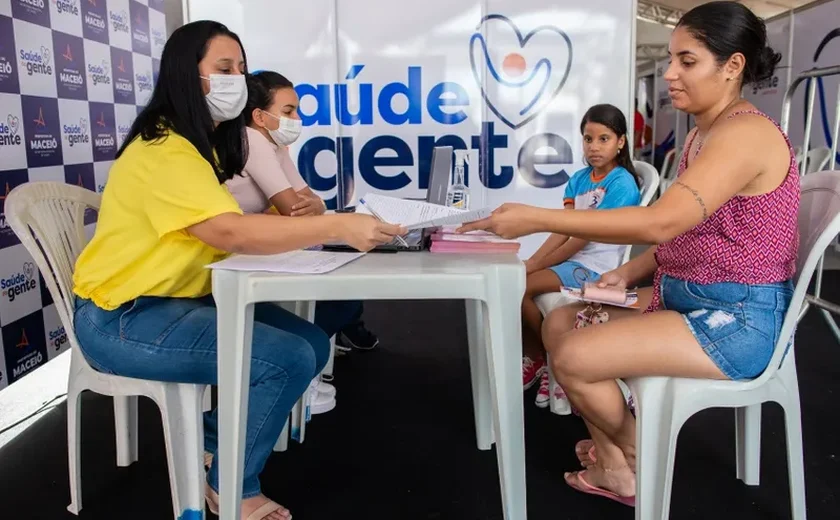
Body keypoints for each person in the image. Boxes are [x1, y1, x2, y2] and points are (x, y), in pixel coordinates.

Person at [459, 1, 797, 506]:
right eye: (671, 59)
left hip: (737, 317)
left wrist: (536, 216)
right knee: (559, 326)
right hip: (687, 296)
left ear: (732, 67)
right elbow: (684, 235)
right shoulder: (707, 134)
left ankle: (637, 458)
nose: (669, 74)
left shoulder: (745, 133)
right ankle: (619, 462)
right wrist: (630, 272)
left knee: (572, 354)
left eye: (687, 61)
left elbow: (661, 221)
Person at [71, 21, 403, 520]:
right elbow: (227, 232)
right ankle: (232, 487)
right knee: (284, 359)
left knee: (311, 344)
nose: (237, 80)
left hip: (177, 303)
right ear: (186, 75)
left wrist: (312, 223)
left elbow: (232, 225)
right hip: (123, 318)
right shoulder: (164, 149)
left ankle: (209, 440)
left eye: (241, 70)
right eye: (223, 69)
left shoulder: (195, 146)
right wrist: (334, 224)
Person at [226, 71, 379, 354]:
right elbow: (293, 208)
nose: (297, 119)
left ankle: (308, 360)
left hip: (260, 242)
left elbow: (309, 200)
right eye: (288, 111)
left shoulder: (275, 143)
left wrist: (317, 205)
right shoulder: (251, 138)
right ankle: (295, 358)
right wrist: (310, 207)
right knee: (343, 297)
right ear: (259, 117)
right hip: (238, 251)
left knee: (344, 290)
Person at [522, 104, 641, 411]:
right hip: (572, 262)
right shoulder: (578, 179)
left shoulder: (621, 182)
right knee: (517, 280)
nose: (594, 146)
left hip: (596, 269)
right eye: (588, 139)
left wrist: (535, 266)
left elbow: (580, 238)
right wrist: (530, 261)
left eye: (604, 138)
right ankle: (542, 361)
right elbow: (562, 230)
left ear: (621, 142)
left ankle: (550, 363)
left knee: (521, 286)